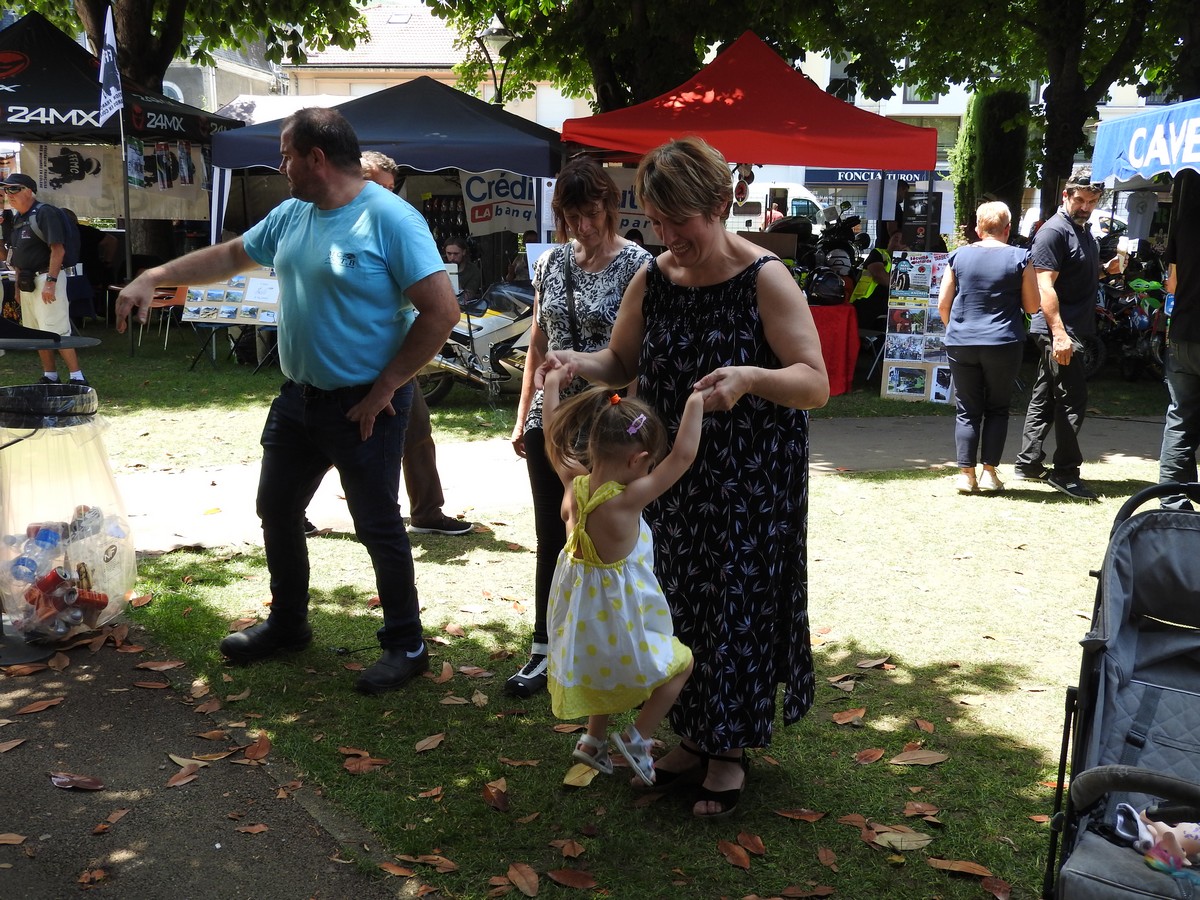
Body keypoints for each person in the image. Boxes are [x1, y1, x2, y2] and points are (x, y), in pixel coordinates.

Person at [115, 108, 461, 693]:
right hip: (300, 398)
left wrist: (385, 389)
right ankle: (289, 624)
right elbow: (229, 257)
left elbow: (441, 313)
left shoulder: (389, 219)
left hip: (365, 405)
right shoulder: (293, 213)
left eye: (285, 155)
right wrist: (157, 274)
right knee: (276, 509)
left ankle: (406, 643)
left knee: (377, 523)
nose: (280, 167)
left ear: (316, 158)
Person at [536, 137, 829, 819]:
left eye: (681, 223)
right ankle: (693, 739)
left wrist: (752, 377)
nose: (668, 238)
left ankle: (726, 752)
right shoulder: (655, 277)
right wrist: (576, 363)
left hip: (750, 478)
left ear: (721, 205)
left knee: (736, 606)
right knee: (675, 605)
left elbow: (814, 382)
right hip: (667, 473)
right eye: (657, 223)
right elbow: (620, 360)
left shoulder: (766, 278)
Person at [505, 157, 653, 699]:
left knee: (609, 541)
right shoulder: (551, 265)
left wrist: (634, 434)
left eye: (591, 213)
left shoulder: (638, 265)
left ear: (610, 207)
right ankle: (546, 648)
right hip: (554, 420)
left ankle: (614, 647)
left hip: (609, 427)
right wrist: (524, 417)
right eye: (572, 216)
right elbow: (537, 347)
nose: (584, 227)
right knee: (555, 536)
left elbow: (635, 360)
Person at [540, 374, 698, 785]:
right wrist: (696, 401)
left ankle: (593, 741)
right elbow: (682, 457)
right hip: (621, 612)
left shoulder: (572, 483)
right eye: (647, 464)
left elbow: (551, 436)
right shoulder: (628, 499)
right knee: (680, 663)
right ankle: (637, 737)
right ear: (637, 459)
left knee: (601, 671)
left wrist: (552, 384)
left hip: (579, 612)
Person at [359, 152, 473, 537]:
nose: (386, 195)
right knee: (338, 434)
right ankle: (293, 507)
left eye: (391, 188)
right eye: (377, 185)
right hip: (355, 356)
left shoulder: (397, 226)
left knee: (417, 431)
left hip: (398, 354)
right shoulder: (342, 224)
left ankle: (426, 511)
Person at [1013, 174, 1119, 500]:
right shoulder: (1054, 231)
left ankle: (1028, 462)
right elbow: (1044, 286)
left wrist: (1107, 270)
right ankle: (1066, 472)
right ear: (1065, 196)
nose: (1085, 207)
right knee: (1073, 399)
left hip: (1070, 327)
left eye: (1091, 202)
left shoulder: (1083, 232)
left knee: (1045, 396)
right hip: (1059, 330)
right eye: (1080, 201)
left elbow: (1076, 275)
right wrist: (1059, 334)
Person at [937, 201, 1040, 494]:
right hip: (1003, 342)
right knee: (997, 408)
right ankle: (989, 474)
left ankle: (965, 475)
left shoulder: (957, 256)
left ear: (978, 229)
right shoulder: (1021, 257)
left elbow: (944, 303)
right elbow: (1033, 306)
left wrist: (955, 329)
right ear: (1008, 229)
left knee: (967, 409)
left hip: (961, 341)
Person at [1, 173, 88, 385]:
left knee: (56, 328)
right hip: (27, 282)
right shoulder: (17, 219)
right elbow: (14, 256)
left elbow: (57, 249)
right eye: (6, 190)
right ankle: (51, 375)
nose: (8, 194)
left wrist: (51, 281)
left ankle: (77, 377)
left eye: (14, 189)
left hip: (46, 278)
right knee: (36, 331)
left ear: (29, 191)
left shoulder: (44, 213)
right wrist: (17, 288)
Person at [1158, 169, 1200, 509]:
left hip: (1184, 333)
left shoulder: (1182, 224)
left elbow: (1171, 284)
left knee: (1181, 418)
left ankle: (1172, 501)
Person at [443, 235, 482, 301]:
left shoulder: (473, 271)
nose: (452, 257)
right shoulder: (439, 266)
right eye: (449, 254)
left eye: (456, 254)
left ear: (463, 252)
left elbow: (467, 296)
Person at [875, 179, 909, 249]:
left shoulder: (886, 204)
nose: (905, 196)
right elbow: (891, 229)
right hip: (888, 247)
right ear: (899, 189)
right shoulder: (894, 206)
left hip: (882, 245)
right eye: (905, 192)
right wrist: (897, 244)